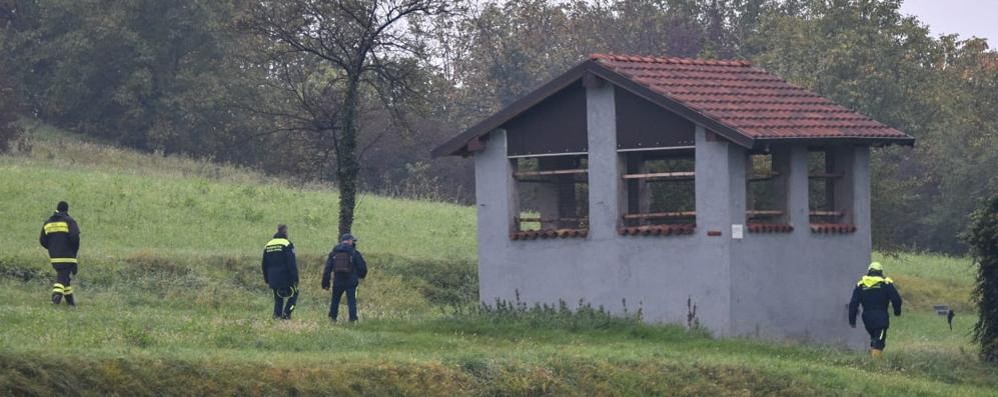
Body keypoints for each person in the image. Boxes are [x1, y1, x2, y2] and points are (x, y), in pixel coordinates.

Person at [849, 261, 903, 358]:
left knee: (874, 339)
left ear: (869, 272)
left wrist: (852, 320)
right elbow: (897, 299)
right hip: (881, 319)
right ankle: (876, 366)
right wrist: (897, 312)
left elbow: (853, 304)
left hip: (867, 319)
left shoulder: (861, 285)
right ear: (880, 272)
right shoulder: (885, 283)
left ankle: (871, 361)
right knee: (879, 342)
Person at [40, 201, 81, 306]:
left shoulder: (48, 222)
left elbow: (42, 240)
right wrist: (73, 252)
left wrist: (53, 248)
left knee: (65, 279)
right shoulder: (70, 221)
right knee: (62, 279)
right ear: (67, 210)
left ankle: (70, 303)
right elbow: (75, 238)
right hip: (68, 256)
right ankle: (56, 297)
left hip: (54, 257)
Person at [322, 233, 368, 322]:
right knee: (351, 301)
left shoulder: (334, 252)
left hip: (338, 281)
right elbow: (362, 267)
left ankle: (333, 317)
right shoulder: (354, 252)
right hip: (351, 281)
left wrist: (325, 282)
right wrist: (360, 276)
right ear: (350, 241)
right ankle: (352, 318)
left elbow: (327, 269)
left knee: (335, 299)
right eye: (353, 241)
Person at [262, 224, 299, 320]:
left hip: (272, 277)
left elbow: (264, 264)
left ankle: (277, 316)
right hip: (286, 276)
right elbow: (291, 262)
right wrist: (295, 277)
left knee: (278, 297)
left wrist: (267, 278)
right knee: (294, 295)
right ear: (285, 232)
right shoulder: (287, 244)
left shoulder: (268, 244)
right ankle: (287, 314)